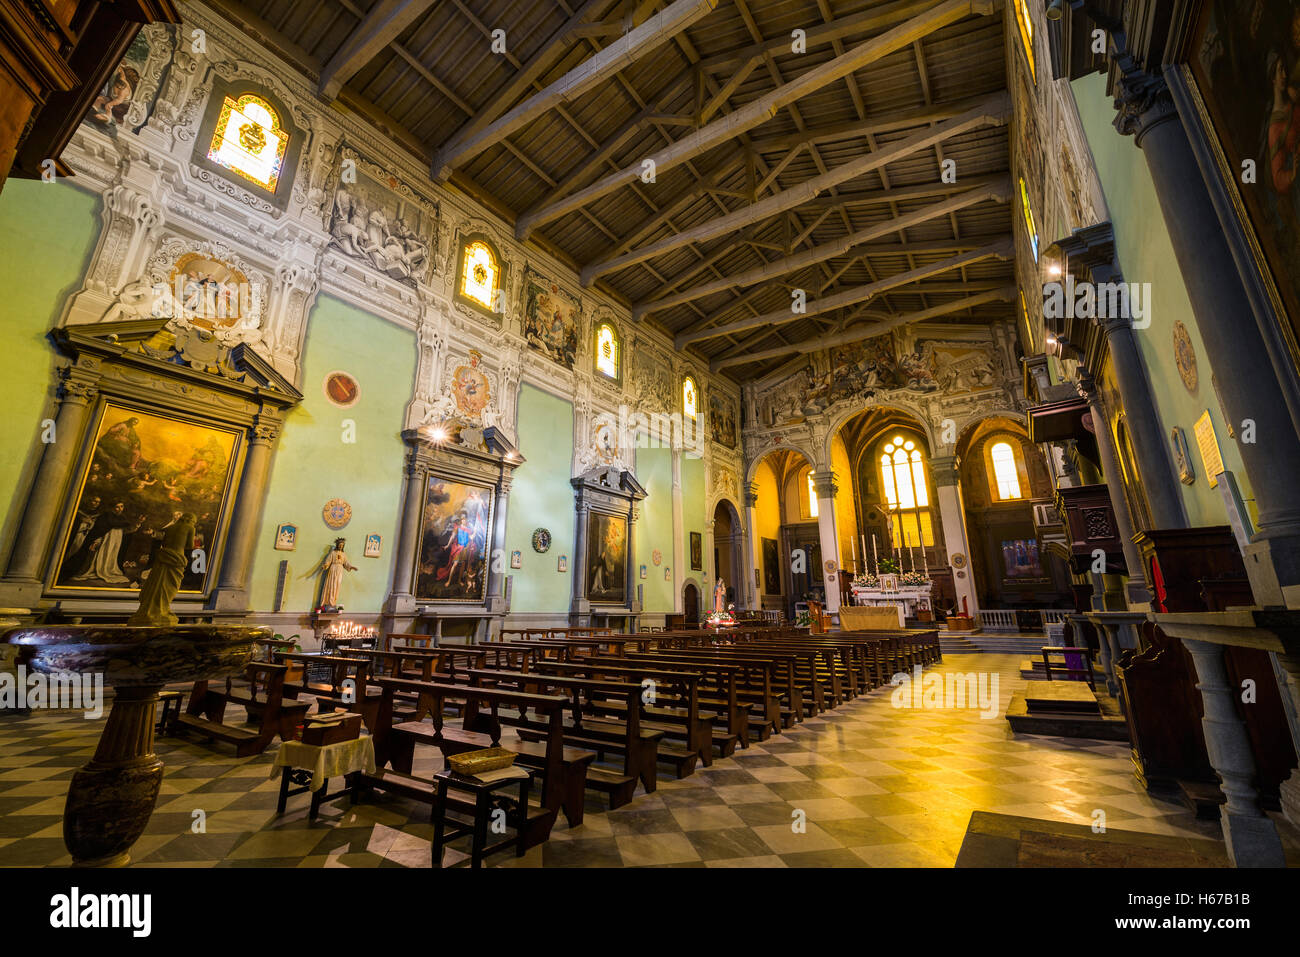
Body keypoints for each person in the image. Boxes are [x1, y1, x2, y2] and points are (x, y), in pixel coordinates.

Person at [318, 538, 357, 610]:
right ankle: (327, 602)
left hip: (340, 570)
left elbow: (346, 563)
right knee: (330, 585)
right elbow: (328, 561)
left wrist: (351, 567)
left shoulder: (343, 554)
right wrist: (325, 565)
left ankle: (333, 602)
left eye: (342, 545)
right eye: (339, 545)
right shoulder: (333, 553)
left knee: (336, 586)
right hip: (333, 569)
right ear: (337, 545)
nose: (341, 546)